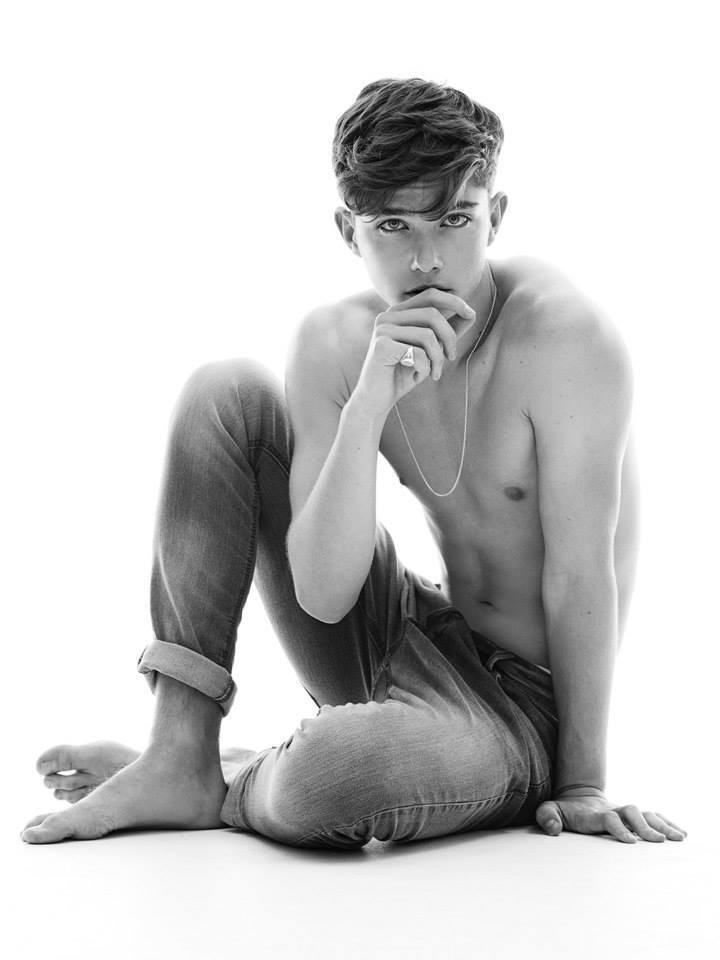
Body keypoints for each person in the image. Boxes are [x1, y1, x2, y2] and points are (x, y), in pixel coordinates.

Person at [21, 77, 686, 847]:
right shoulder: (335, 344)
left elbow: (581, 574)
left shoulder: (563, 337)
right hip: (411, 626)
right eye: (393, 225)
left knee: (329, 779)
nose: (426, 259)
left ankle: (225, 774)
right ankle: (178, 752)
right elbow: (325, 597)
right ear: (349, 229)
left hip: (519, 708)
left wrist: (582, 786)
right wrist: (369, 404)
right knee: (224, 392)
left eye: (454, 219)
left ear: (495, 215)